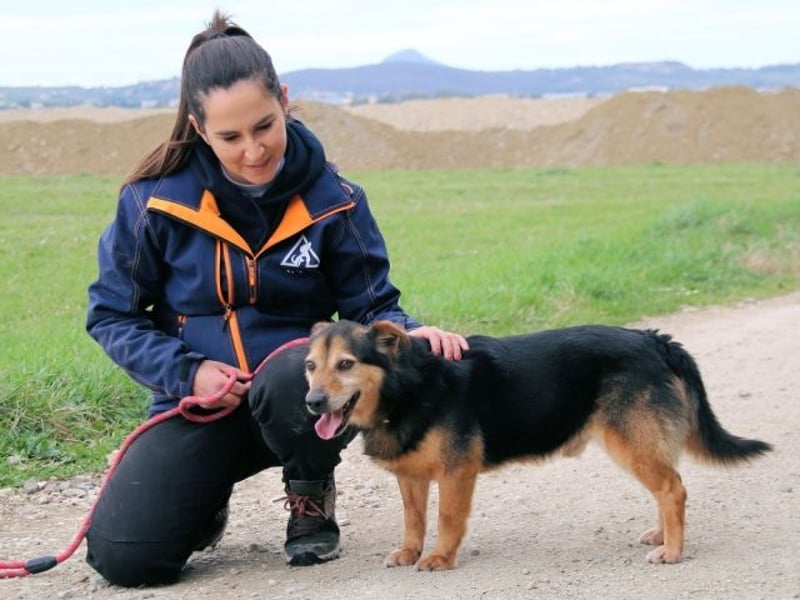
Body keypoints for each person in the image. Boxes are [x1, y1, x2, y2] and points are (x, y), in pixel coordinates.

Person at [84, 10, 468, 588]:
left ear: (284, 100)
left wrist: (410, 332)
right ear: (198, 127)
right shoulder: (151, 202)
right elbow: (112, 315)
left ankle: (309, 492)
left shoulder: (337, 200)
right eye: (230, 137)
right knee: (127, 559)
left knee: (291, 374)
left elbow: (370, 308)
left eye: (264, 126)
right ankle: (203, 497)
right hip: (199, 401)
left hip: (301, 398)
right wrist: (188, 374)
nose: (253, 151)